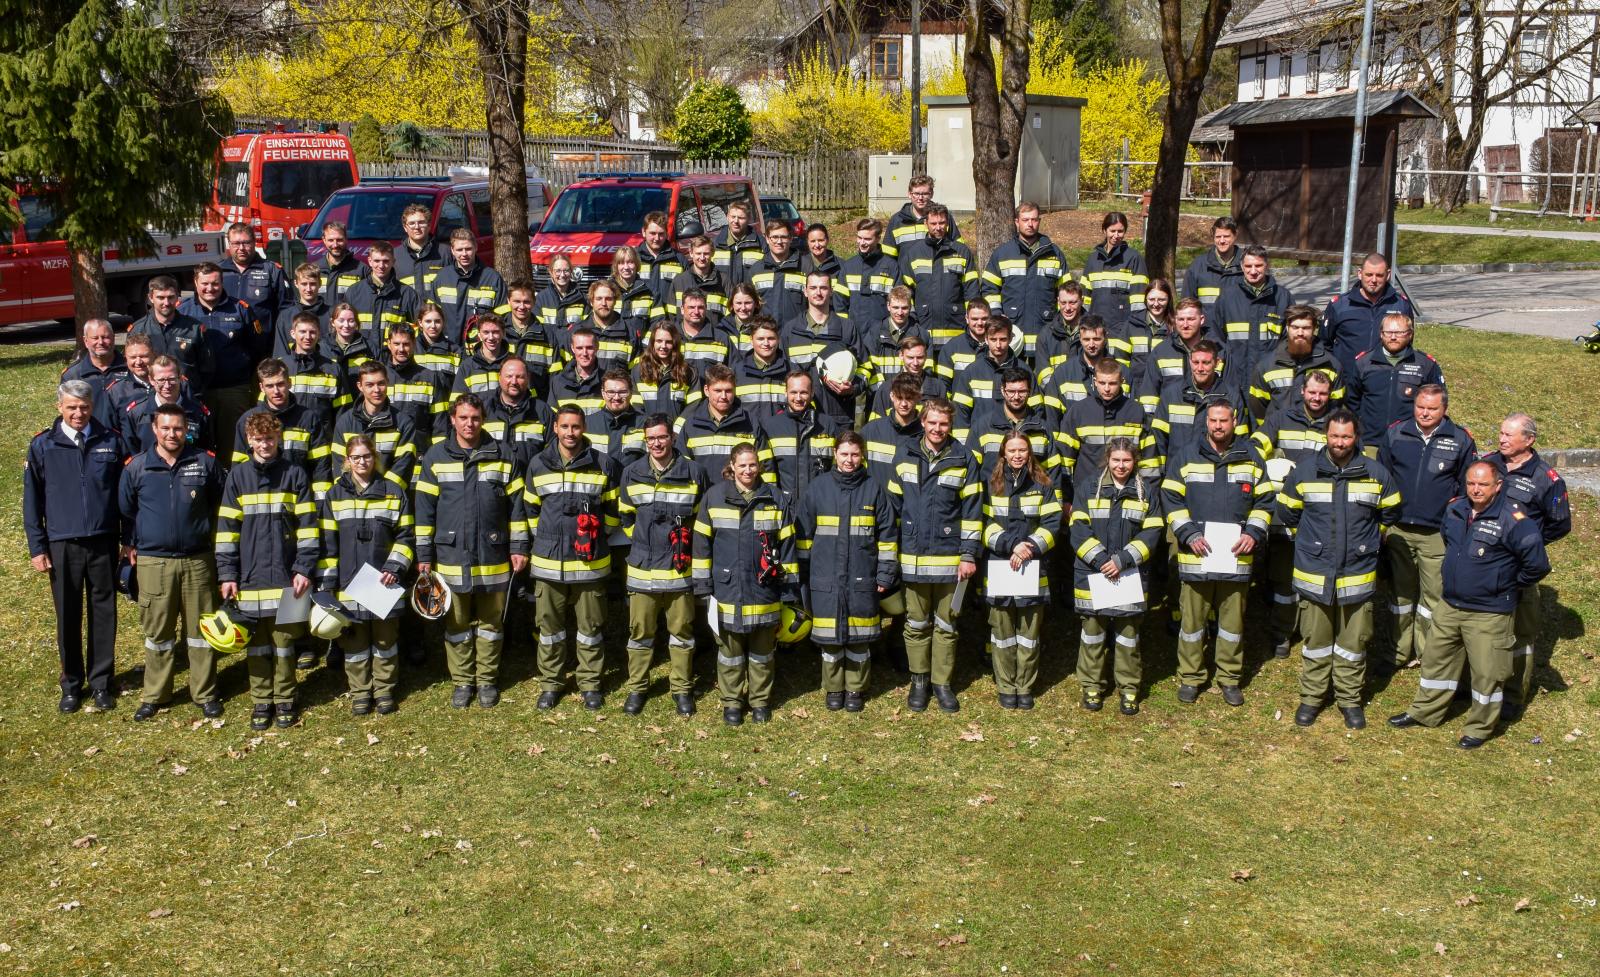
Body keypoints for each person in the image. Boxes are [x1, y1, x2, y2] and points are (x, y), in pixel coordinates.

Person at [1389, 461, 1550, 748]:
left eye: (1483, 484)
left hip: (1489, 613)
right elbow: (1451, 545)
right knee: (1437, 662)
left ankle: (1479, 727)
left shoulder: (1514, 519)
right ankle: (1426, 711)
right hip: (1451, 605)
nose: (1476, 489)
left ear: (1498, 486)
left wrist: (1504, 584)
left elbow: (1536, 565)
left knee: (1487, 674)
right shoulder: (1455, 509)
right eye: (1471, 483)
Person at [1276, 410, 1401, 729]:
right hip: (1314, 574)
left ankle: (1349, 700)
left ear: (1356, 437)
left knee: (1353, 644)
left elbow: (1391, 511)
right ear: (1326, 436)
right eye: (1334, 436)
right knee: (1315, 643)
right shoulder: (1304, 473)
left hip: (1356, 576)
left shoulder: (1376, 474)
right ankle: (1312, 698)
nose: (1340, 443)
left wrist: (1369, 539)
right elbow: (1288, 513)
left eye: (1346, 437)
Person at [414, 394, 528, 709]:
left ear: (484, 419)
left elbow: (517, 509)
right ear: (452, 419)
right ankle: (463, 682)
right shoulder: (436, 456)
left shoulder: (503, 455)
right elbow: (424, 512)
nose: (469, 424)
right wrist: (423, 557)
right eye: (463, 418)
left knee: (492, 625)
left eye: (475, 418)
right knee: (457, 625)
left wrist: (519, 547)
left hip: (493, 557)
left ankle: (488, 681)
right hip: (450, 558)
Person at [1161, 400, 1273, 706]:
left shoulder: (1251, 458)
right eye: (1213, 420)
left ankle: (1229, 677)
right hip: (1196, 555)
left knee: (1232, 624)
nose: (1218, 426)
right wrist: (1188, 533)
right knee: (1192, 623)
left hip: (1237, 557)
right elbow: (1170, 497)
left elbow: (1265, 502)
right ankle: (1191, 676)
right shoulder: (1186, 457)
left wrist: (1253, 533)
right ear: (1206, 422)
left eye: (1224, 420)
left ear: (1234, 421)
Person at [119, 402, 225, 720]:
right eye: (165, 428)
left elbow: (221, 504)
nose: (172, 434)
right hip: (154, 562)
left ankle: (204, 693)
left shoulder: (204, 463)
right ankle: (155, 695)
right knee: (158, 634)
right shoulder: (137, 467)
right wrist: (130, 544)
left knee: (201, 632)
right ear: (154, 429)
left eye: (178, 428)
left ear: (186, 430)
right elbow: (125, 510)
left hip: (198, 560)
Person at [216, 411, 319, 730]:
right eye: (259, 439)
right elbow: (226, 530)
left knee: (285, 643)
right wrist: (227, 574)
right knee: (257, 645)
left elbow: (309, 528)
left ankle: (286, 698)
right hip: (248, 577)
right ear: (249, 440)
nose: (265, 444)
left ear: (279, 439)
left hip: (289, 577)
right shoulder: (238, 476)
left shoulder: (295, 474)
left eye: (270, 438)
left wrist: (304, 567)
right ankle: (262, 701)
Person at [25, 381, 124, 713]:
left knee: (103, 613)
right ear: (60, 408)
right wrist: (38, 547)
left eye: (83, 407)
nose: (78, 413)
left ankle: (101, 683)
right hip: (62, 542)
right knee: (67, 614)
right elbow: (32, 501)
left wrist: (127, 538)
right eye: (71, 407)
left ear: (92, 406)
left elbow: (124, 496)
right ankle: (71, 684)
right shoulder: (42, 446)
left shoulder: (111, 440)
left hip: (103, 539)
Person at [692, 442, 799, 726]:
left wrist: (788, 591)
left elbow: (787, 547)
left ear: (759, 466)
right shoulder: (714, 498)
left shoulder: (775, 499)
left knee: (763, 652)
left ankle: (760, 701)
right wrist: (702, 586)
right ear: (732, 466)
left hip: (764, 589)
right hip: (726, 589)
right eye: (742, 465)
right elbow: (701, 545)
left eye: (753, 465)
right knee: (730, 653)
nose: (748, 470)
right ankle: (732, 703)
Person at [886, 398, 981, 713]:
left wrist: (968, 555)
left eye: (943, 424)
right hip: (912, 559)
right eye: (932, 423)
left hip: (950, 561)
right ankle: (919, 681)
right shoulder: (904, 454)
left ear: (950, 425)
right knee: (915, 624)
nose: (938, 429)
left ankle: (942, 683)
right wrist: (891, 555)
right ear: (922, 422)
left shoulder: (964, 458)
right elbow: (892, 511)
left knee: (947, 625)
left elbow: (972, 513)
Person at [523, 406, 619, 710]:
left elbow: (613, 512)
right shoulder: (538, 464)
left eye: (576, 427)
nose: (570, 433)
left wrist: (595, 538)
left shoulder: (602, 464)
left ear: (584, 428)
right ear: (555, 428)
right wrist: (549, 538)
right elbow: (530, 509)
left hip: (590, 564)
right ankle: (552, 683)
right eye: (564, 426)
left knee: (590, 629)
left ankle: (590, 684)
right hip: (549, 563)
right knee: (549, 630)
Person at [796, 432, 898, 712]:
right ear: (835, 454)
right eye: (844, 454)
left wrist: (886, 573)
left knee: (859, 639)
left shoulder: (873, 489)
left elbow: (887, 536)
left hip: (862, 576)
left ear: (862, 455)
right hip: (824, 575)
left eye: (855, 454)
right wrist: (803, 574)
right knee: (829, 641)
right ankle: (833, 688)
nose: (849, 460)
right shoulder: (818, 488)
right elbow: (804, 535)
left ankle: (855, 689)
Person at [617, 414, 711, 716]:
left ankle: (682, 689)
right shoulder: (632, 473)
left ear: (672, 437)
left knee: (682, 633)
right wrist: (644, 540)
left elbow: (700, 519)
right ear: (646, 442)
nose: (657, 443)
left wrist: (681, 548)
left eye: (662, 437)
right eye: (651, 439)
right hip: (642, 569)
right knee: (640, 634)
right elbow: (625, 516)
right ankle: (637, 688)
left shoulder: (694, 473)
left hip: (678, 570)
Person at [1378, 384, 1476, 670]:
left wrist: (1454, 526)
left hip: (1437, 534)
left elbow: (1465, 489)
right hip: (1398, 529)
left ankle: (1426, 652)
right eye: (1420, 406)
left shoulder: (1460, 439)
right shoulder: (1396, 433)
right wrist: (1383, 523)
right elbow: (1382, 478)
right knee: (1400, 595)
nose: (1424, 413)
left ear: (1444, 409)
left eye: (1432, 408)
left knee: (1432, 596)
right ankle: (1396, 652)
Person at [315, 432, 414, 716]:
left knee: (385, 641)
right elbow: (328, 544)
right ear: (347, 460)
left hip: (385, 583)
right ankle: (360, 692)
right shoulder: (335, 495)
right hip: (347, 584)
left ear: (375, 458)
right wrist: (329, 586)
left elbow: (407, 536)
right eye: (356, 457)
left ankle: (384, 690)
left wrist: (395, 567)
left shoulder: (394, 492)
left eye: (367, 456)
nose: (362, 462)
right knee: (354, 641)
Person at [1484, 412, 1572, 721]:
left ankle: (1512, 697)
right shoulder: (1488, 463)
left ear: (1529, 440)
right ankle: (1473, 686)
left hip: (1517, 567)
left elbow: (1560, 524)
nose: (1502, 439)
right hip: (1481, 561)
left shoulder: (1545, 479)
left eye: (1509, 435)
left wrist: (1528, 543)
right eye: (1501, 433)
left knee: (1520, 634)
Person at [1070, 438, 1162, 715]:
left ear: (1135, 462)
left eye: (1127, 460)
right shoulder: (1088, 487)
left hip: (1129, 575)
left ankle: (1129, 688)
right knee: (1092, 635)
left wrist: (1122, 560)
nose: (1121, 466)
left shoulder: (1146, 492)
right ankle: (1092, 686)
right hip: (1093, 574)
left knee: (1128, 637)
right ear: (1107, 460)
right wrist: (1101, 560)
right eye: (1116, 460)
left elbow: (1153, 532)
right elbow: (1078, 528)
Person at [1253, 370, 1336, 656]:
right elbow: (1255, 448)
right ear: (1302, 391)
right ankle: (1281, 633)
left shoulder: (1336, 423)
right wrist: (1270, 469)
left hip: (1319, 514)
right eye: (1312, 392)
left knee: (1314, 576)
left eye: (1323, 394)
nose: (1317, 398)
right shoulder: (1281, 418)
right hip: (1284, 513)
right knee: (1282, 576)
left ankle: (1313, 633)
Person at [981, 429, 1062, 710]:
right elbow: (983, 523)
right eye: (1012, 450)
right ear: (1003, 453)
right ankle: (1006, 685)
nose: (1017, 455)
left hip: (1032, 568)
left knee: (1029, 633)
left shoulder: (1044, 484)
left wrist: (1029, 547)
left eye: (1022, 450)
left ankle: (1024, 686)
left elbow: (1052, 524)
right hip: (1001, 565)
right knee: (1002, 633)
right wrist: (1011, 545)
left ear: (1030, 453)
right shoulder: (991, 484)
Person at [1060, 359, 1158, 508]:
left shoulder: (1136, 411)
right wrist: (1067, 499)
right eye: (1102, 383)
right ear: (1095, 381)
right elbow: (1065, 459)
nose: (1106, 389)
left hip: (1128, 496)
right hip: (1086, 495)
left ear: (1122, 381)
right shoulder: (1078, 412)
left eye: (1112, 383)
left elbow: (1149, 460)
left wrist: (1149, 496)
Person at [981, 201, 1069, 361]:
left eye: (1034, 220)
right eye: (1025, 219)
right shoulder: (1002, 254)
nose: (1030, 224)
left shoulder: (1054, 254)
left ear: (1039, 221)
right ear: (1016, 222)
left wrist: (1058, 320)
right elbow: (989, 288)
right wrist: (997, 316)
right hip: (1013, 336)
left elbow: (1066, 292)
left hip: (1046, 334)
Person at [233, 357, 333, 497]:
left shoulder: (308, 418)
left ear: (289, 383)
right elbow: (240, 467)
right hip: (260, 499)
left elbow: (321, 467)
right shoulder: (247, 420)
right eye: (269, 386)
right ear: (261, 387)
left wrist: (321, 505)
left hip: (300, 498)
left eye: (280, 384)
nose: (276, 391)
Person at [1344, 313, 1444, 445]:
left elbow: (1439, 402)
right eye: (1388, 332)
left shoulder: (1425, 365)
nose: (1393, 337)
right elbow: (1352, 400)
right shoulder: (1364, 363)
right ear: (1381, 334)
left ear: (1410, 334)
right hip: (1370, 441)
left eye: (1399, 333)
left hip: (1409, 440)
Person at [1148, 340, 1248, 472]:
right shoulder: (1171, 395)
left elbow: (1240, 442)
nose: (1200, 368)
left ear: (1217, 363)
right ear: (1190, 362)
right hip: (1176, 474)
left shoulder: (1232, 397)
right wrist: (1158, 480)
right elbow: (1158, 440)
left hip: (1216, 476)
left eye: (1206, 363)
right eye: (1196, 362)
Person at [897, 204, 979, 353]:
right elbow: (905, 292)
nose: (938, 227)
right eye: (933, 223)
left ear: (947, 223)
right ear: (925, 224)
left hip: (955, 329)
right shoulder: (914, 253)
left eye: (942, 223)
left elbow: (971, 291)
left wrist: (971, 320)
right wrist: (913, 318)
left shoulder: (961, 252)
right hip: (923, 328)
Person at [675, 363, 772, 485]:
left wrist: (767, 496)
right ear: (706, 390)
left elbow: (766, 466)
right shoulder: (691, 424)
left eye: (728, 391)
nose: (723, 396)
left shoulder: (750, 423)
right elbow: (682, 467)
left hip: (739, 501)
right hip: (702, 500)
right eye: (717, 391)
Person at [1246, 305, 1345, 423]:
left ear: (1314, 329)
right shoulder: (1267, 366)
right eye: (1295, 327)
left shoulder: (1331, 365)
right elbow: (1258, 407)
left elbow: (1336, 405)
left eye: (1306, 328)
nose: (1300, 333)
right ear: (1287, 328)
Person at [1321, 251, 1416, 370]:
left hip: (1384, 377)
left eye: (1379, 275)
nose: (1374, 280)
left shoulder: (1401, 305)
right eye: (1369, 274)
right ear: (1360, 274)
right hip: (1346, 379)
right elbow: (1324, 344)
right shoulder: (1339, 305)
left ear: (1388, 275)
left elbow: (1407, 342)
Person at [760, 370, 841, 503]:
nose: (798, 398)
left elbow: (839, 467)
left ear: (812, 393)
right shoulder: (771, 427)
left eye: (803, 392)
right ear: (785, 393)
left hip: (822, 504)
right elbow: (767, 472)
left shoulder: (827, 425)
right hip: (786, 507)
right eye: (793, 392)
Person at [333, 360, 418, 486]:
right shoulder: (345, 423)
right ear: (360, 386)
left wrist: (381, 490)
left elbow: (403, 466)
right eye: (370, 385)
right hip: (352, 498)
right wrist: (356, 491)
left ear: (388, 383)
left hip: (388, 499)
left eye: (381, 383)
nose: (377, 390)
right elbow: (339, 465)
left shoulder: (403, 423)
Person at [1212, 245, 1293, 377]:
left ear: (1267, 266)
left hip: (1270, 375)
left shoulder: (1283, 297)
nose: (1253, 271)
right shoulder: (1227, 297)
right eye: (1248, 266)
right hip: (1234, 375)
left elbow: (1289, 338)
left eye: (1258, 265)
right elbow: (1214, 333)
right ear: (1242, 267)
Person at [129, 275, 214, 395]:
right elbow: (131, 367)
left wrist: (194, 392)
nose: (166, 303)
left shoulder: (194, 329)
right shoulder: (138, 330)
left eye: (170, 297)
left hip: (187, 398)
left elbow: (207, 369)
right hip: (150, 398)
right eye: (161, 297)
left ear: (177, 297)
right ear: (151, 298)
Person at [425, 228, 507, 344]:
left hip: (479, 349)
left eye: (468, 249)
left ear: (476, 248)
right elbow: (431, 314)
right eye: (459, 250)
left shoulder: (492, 278)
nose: (464, 254)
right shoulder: (442, 278)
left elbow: (503, 318)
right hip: (447, 347)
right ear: (452, 251)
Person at [382, 322, 450, 451]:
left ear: (413, 344)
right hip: (387, 454)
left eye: (406, 344)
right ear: (389, 344)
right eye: (396, 344)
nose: (401, 349)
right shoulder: (379, 378)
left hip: (420, 454)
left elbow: (440, 425)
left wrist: (438, 454)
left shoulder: (430, 378)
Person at [123, 356, 212, 455]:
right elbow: (131, 454)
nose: (167, 385)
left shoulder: (198, 413)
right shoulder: (136, 413)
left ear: (180, 378)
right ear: (151, 380)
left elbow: (206, 452)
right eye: (161, 380)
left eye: (172, 379)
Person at [1137, 297, 1214, 411]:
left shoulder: (1219, 350)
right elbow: (1149, 396)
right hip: (1172, 425)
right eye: (1181, 319)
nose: (1185, 324)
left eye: (1191, 319)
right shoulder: (1161, 352)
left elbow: (1229, 392)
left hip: (1211, 425)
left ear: (1201, 320)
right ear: (1175, 321)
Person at [950, 315, 1026, 424]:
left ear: (1010, 339)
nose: (998, 345)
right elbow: (960, 415)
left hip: (1013, 439)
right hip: (979, 439)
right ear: (986, 339)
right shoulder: (971, 372)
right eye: (993, 339)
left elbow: (1035, 411)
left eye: (1003, 339)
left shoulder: (1024, 371)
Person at [346, 241, 420, 349]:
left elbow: (418, 330)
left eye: (386, 261)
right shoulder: (354, 292)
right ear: (369, 261)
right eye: (377, 261)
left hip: (393, 360)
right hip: (361, 357)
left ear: (393, 261)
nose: (381, 266)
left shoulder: (407, 294)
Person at [482, 356, 553, 467]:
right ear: (499, 377)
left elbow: (552, 453)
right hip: (492, 482)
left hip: (529, 481)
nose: (514, 381)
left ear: (528, 378)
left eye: (519, 377)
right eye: (509, 376)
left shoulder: (542, 411)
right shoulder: (484, 410)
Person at [1080, 212, 1149, 326]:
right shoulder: (1093, 259)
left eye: (1120, 231)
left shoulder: (1134, 258)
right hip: (1095, 329)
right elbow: (1085, 298)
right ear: (1104, 231)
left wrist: (1135, 327)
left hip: (1122, 330)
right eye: (1112, 231)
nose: (1116, 235)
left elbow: (1139, 300)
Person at [221, 221, 287, 333]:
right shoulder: (218, 272)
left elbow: (287, 309)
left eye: (246, 243)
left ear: (254, 242)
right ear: (229, 244)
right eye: (236, 243)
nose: (241, 248)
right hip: (227, 344)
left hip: (264, 344)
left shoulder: (272, 270)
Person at [63, 318, 127, 430]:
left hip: (126, 437)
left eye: (105, 337)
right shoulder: (73, 375)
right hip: (90, 438)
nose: (101, 342)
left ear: (113, 337)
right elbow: (68, 412)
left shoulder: (130, 369)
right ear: (86, 341)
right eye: (95, 338)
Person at [861, 372, 924, 486]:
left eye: (909, 398)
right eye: (899, 398)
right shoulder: (871, 431)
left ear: (918, 398)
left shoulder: (926, 434)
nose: (904, 404)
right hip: (876, 502)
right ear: (891, 396)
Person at [1037, 315, 1111, 411]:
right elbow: (1052, 417)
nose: (1091, 345)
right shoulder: (1063, 373)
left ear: (1105, 338)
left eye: (1096, 339)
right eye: (1086, 339)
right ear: (1080, 338)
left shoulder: (1121, 372)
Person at [744, 220, 809, 330]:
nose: (779, 241)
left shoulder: (805, 267)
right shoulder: (756, 270)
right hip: (766, 337)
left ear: (791, 238)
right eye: (774, 237)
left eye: (783, 237)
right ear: (767, 239)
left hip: (798, 334)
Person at [501, 278, 560, 399]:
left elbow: (556, 378)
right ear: (508, 301)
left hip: (536, 406)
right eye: (517, 301)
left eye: (526, 302)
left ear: (534, 302)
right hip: (503, 406)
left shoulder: (547, 336)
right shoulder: (499, 332)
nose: (521, 307)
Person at [838, 218, 897, 334]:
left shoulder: (891, 267)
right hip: (853, 334)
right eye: (859, 238)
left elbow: (898, 302)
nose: (862, 243)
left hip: (882, 334)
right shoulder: (849, 266)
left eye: (867, 239)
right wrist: (845, 328)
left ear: (878, 239)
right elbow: (839, 302)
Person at [281, 313, 344, 418]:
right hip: (288, 432)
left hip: (322, 433)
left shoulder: (333, 368)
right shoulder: (280, 366)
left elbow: (342, 409)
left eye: (312, 332)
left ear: (319, 334)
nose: (308, 337)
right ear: (293, 333)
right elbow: (266, 406)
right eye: (302, 332)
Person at [884, 174, 961, 257]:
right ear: (909, 194)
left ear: (931, 194)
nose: (920, 198)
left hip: (936, 269)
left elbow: (959, 249)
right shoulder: (897, 220)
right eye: (916, 193)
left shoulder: (943, 217)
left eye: (925, 194)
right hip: (905, 269)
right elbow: (888, 257)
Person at [572, 278, 637, 375]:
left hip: (616, 389)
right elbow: (568, 373)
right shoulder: (577, 332)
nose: (603, 303)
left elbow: (636, 373)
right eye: (599, 299)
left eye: (608, 299)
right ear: (591, 302)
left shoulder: (629, 333)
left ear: (615, 302)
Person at [1116, 276, 1173, 387]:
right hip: (1136, 388)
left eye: (1161, 299)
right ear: (1145, 299)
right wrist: (1128, 385)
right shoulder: (1132, 324)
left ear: (1169, 300)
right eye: (1151, 299)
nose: (1156, 304)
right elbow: (1120, 359)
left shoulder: (1176, 326)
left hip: (1166, 388)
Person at [633, 322, 699, 418]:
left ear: (675, 343)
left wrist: (677, 430)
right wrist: (651, 429)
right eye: (659, 341)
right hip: (649, 431)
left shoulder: (689, 372)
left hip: (678, 432)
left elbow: (694, 405)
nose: (663, 346)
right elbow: (636, 407)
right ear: (652, 343)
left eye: (668, 342)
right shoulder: (638, 371)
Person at [322, 302, 378, 410]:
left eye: (351, 321)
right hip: (329, 410)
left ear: (356, 323)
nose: (346, 325)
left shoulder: (370, 348)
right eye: (341, 320)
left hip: (361, 408)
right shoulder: (322, 348)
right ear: (332, 322)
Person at [729, 317, 792, 414]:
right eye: (760, 339)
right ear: (751, 340)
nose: (766, 343)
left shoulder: (790, 370)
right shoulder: (737, 372)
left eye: (771, 338)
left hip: (780, 429)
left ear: (778, 339)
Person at [1183, 216, 1242, 317]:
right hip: (1207, 330)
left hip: (1237, 330)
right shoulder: (1198, 266)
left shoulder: (1247, 265)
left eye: (1226, 236)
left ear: (1235, 235)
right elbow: (1187, 304)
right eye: (1218, 237)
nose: (1222, 241)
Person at [664, 235, 730, 323]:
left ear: (712, 253)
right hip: (684, 335)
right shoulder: (679, 281)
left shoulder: (723, 281)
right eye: (698, 253)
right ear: (691, 253)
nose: (702, 258)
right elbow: (671, 315)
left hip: (715, 335)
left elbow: (731, 314)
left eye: (706, 254)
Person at [588, 370, 647, 469]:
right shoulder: (587, 424)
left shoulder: (645, 424)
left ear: (631, 392)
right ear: (603, 393)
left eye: (622, 392)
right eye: (611, 392)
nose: (616, 397)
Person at [273, 263, 331, 359]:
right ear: (296, 283)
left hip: (325, 371)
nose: (308, 289)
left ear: (320, 283)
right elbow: (280, 353)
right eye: (304, 284)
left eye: (312, 284)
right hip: (294, 372)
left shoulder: (331, 314)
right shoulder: (285, 316)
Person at [1033, 281, 1090, 375]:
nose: (1067, 308)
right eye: (1063, 303)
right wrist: (1054, 389)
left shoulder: (1095, 331)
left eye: (1072, 302)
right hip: (1054, 389)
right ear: (1058, 301)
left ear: (1082, 301)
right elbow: (1043, 374)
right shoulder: (1046, 334)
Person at [451, 314, 513, 400]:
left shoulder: (513, 364)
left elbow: (525, 400)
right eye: (486, 332)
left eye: (495, 332)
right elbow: (456, 404)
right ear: (479, 335)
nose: (490, 337)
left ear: (503, 333)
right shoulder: (467, 367)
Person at [549, 326, 606, 418]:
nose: (584, 353)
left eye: (589, 348)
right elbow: (552, 418)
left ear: (597, 347)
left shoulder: (607, 381)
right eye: (579, 348)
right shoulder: (558, 382)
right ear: (572, 348)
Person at [636, 212, 686, 313]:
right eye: (652, 233)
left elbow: (687, 292)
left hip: (670, 321)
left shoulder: (679, 259)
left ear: (667, 233)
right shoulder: (633, 258)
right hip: (641, 320)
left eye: (661, 234)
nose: (657, 238)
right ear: (643, 232)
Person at [610, 246, 659, 343]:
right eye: (621, 263)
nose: (626, 267)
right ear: (616, 266)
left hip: (642, 350)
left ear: (637, 264)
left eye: (630, 262)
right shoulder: (608, 290)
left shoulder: (650, 291)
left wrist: (645, 345)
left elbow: (657, 322)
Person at [395, 203, 448, 292]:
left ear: (429, 225)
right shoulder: (395, 255)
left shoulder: (445, 253)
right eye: (411, 223)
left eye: (421, 222)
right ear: (405, 227)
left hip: (437, 306)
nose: (417, 227)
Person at [315, 221, 369, 306]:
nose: (335, 244)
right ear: (324, 240)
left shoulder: (362, 270)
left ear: (346, 239)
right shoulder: (314, 269)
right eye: (331, 240)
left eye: (339, 240)